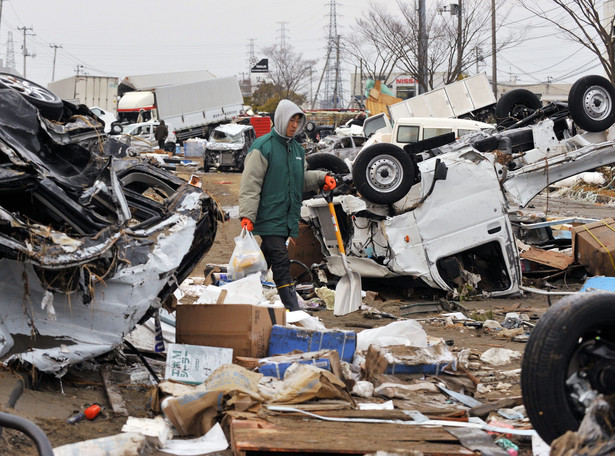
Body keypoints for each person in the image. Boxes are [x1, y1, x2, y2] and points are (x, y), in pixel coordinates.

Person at [239, 100, 336, 311]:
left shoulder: (297, 150)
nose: (294, 125)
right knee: (282, 262)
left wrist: (322, 178)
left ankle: (242, 294)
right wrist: (247, 215)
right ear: (281, 119)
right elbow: (250, 183)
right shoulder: (263, 147)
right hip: (268, 216)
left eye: (297, 120)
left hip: (286, 217)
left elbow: (300, 180)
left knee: (264, 262)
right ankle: (293, 307)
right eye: (291, 120)